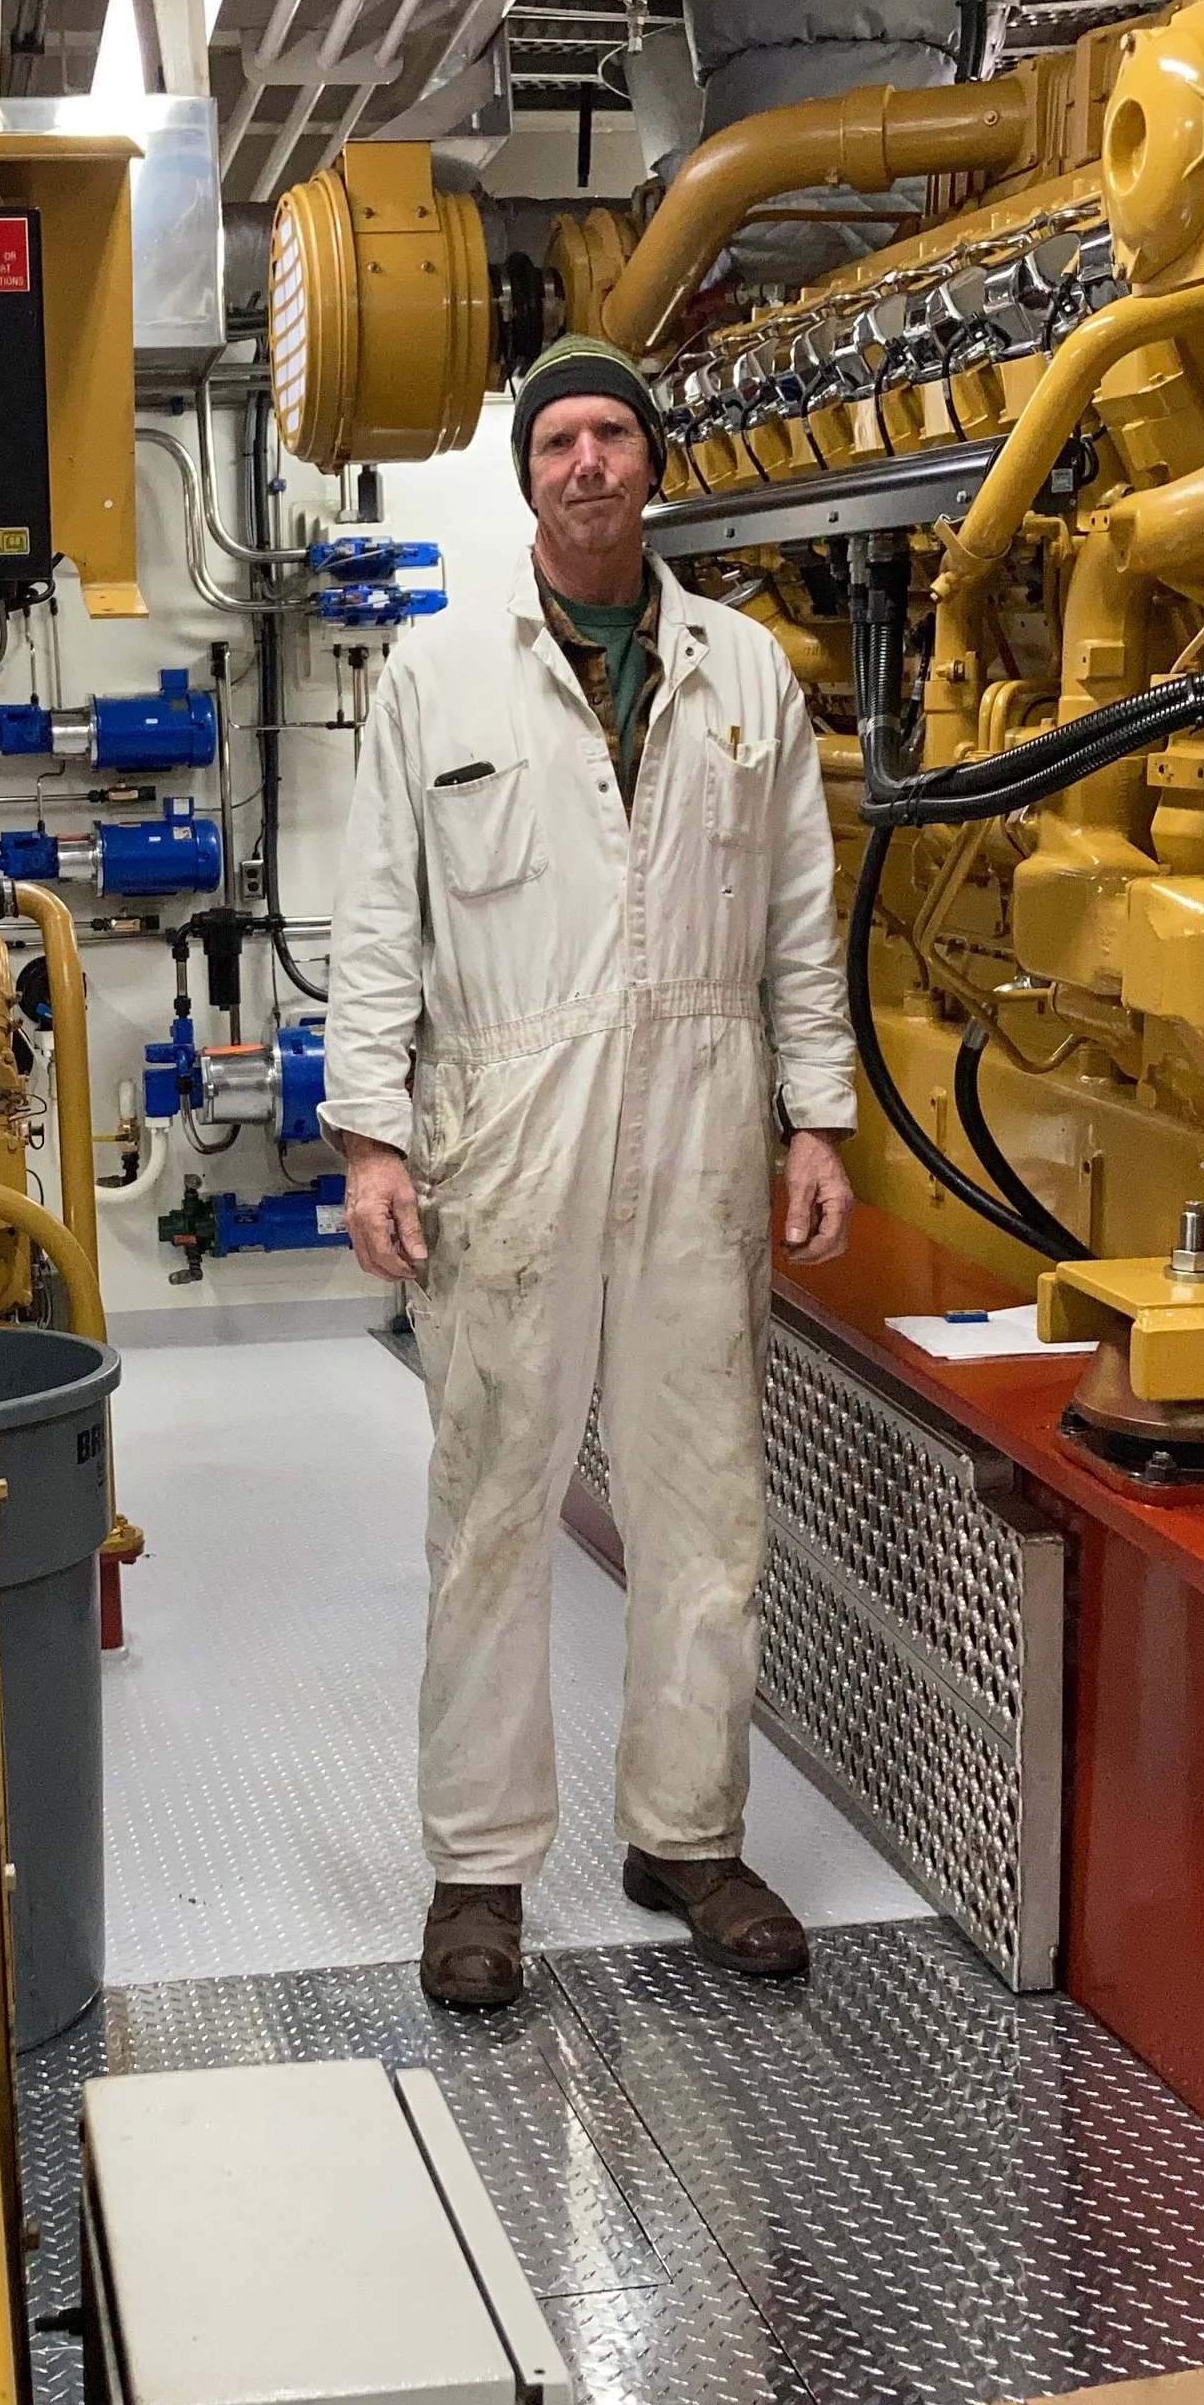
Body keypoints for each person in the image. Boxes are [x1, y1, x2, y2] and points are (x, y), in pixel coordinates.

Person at [321, 333, 857, 2011]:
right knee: (493, 1502)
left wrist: (819, 1118)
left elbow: (799, 917)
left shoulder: (745, 672)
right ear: (527, 474)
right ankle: (480, 1870)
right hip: (509, 1127)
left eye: (613, 433)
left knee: (707, 1502)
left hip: (703, 1123)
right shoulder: (439, 677)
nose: (588, 462)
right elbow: (377, 922)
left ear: (649, 464)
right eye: (559, 439)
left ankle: (686, 1837)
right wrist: (370, 1138)